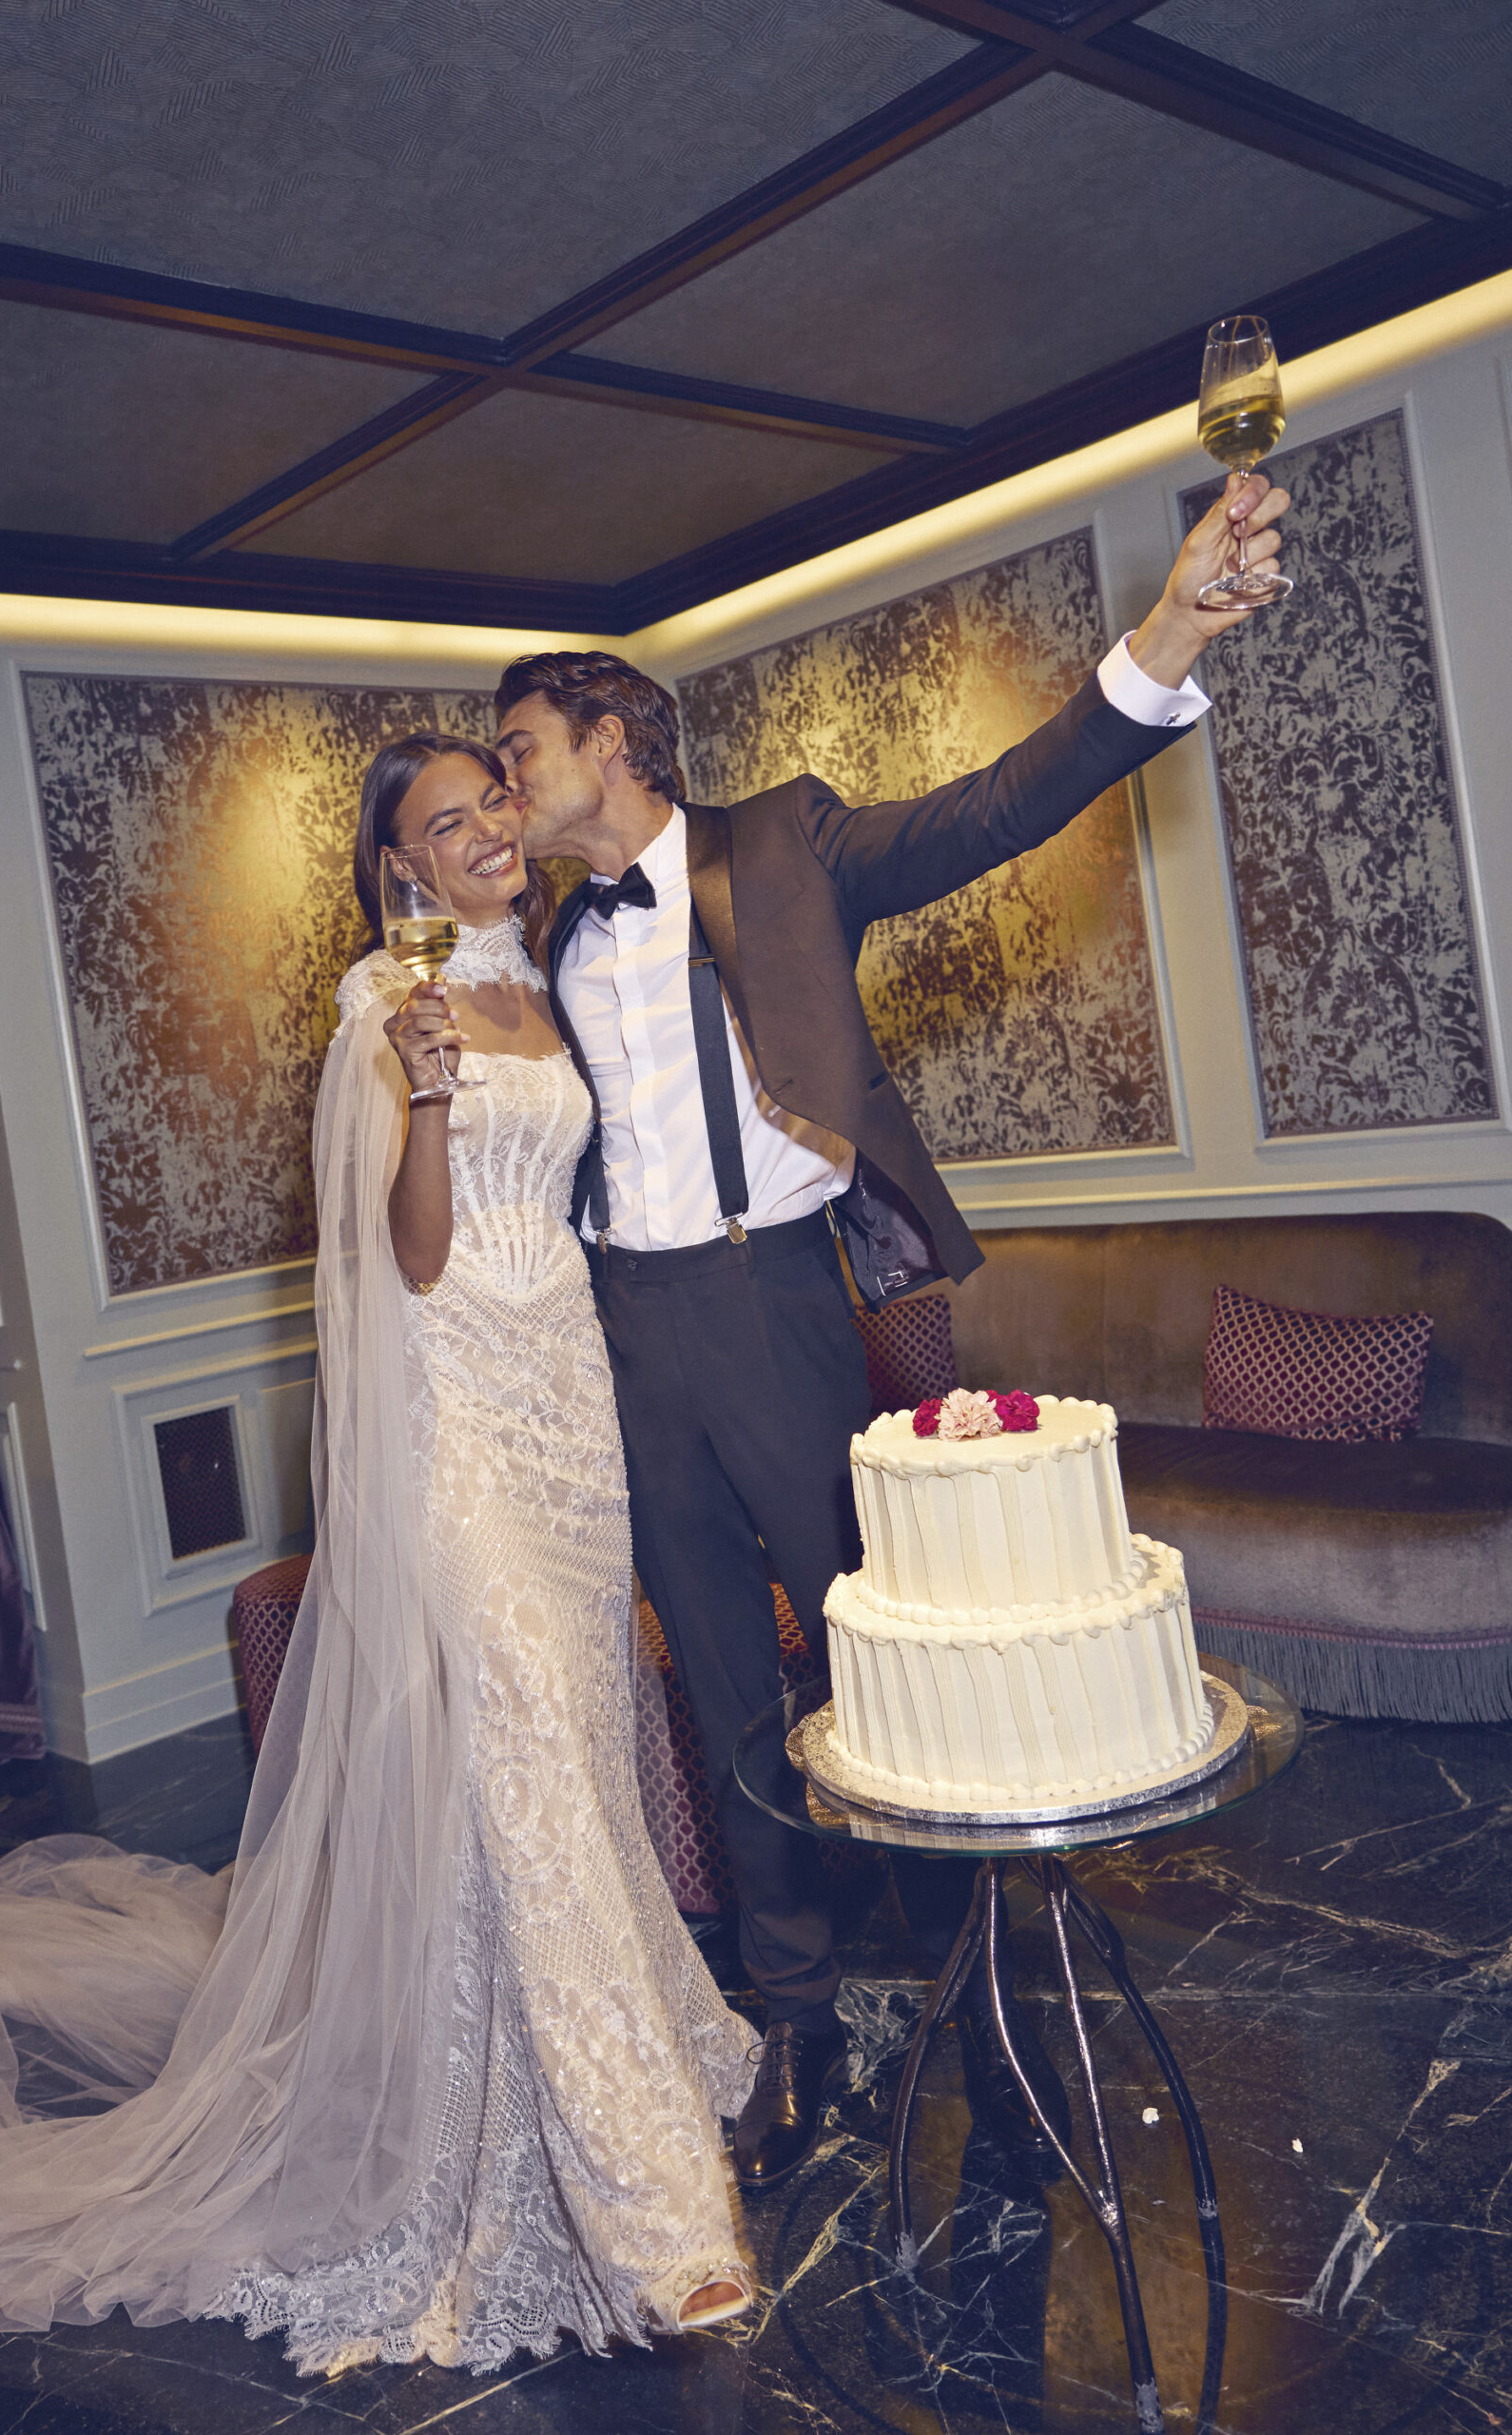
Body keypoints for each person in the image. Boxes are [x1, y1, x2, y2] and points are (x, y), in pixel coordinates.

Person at [0, 734, 753, 2371]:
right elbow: (411, 1258)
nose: (486, 832)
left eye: (491, 802)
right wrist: (428, 1091)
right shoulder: (383, 1006)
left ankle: (565, 2055)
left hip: (573, 1409)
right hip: (463, 1423)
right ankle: (653, 2207)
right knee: (534, 1736)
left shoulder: (547, 979)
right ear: (400, 867)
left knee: (568, 1749)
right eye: (446, 823)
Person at [492, 470, 1289, 2191]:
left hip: (775, 1303)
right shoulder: (549, 936)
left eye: (522, 748)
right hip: (626, 1332)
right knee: (722, 1685)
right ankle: (795, 2024)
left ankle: (984, 2018)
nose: (507, 780)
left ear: (615, 742)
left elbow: (1002, 804)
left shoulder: (784, 845)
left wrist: (1170, 630)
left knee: (883, 1670)